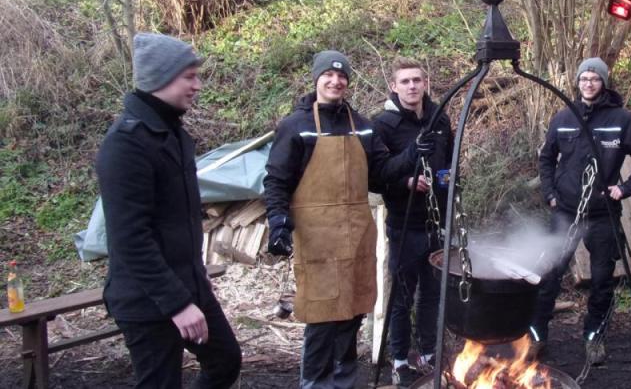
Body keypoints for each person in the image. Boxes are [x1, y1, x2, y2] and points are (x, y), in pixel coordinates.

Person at [263, 51, 430, 389]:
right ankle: (315, 383)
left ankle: (344, 382)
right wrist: (279, 221)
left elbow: (381, 174)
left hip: (357, 236)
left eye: (341, 76)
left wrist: (412, 153)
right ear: (317, 78)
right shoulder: (296, 126)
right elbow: (277, 180)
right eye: (328, 75)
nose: (335, 81)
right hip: (318, 239)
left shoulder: (362, 126)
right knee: (323, 317)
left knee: (353, 311)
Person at [96, 33, 241, 388]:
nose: (197, 85)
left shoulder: (172, 133)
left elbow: (177, 222)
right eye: (189, 76)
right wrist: (177, 304)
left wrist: (194, 276)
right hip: (147, 298)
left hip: (186, 283)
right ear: (161, 78)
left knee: (224, 362)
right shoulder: (126, 145)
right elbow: (131, 239)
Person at [532, 57, 631, 364]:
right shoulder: (564, 116)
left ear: (604, 82)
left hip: (602, 214)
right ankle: (536, 336)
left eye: (595, 78)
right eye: (584, 78)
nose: (589, 83)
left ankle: (594, 337)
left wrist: (625, 188)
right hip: (565, 211)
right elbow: (546, 158)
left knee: (602, 280)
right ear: (577, 82)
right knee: (549, 275)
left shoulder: (620, 119)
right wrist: (549, 193)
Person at [372, 57, 453, 387]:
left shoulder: (439, 118)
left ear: (425, 83)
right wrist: (407, 180)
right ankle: (400, 360)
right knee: (402, 297)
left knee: (432, 293)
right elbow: (376, 175)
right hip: (404, 223)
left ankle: (429, 353)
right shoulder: (383, 125)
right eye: (405, 81)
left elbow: (449, 160)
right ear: (394, 86)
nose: (412, 86)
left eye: (417, 80)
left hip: (437, 222)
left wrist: (449, 179)